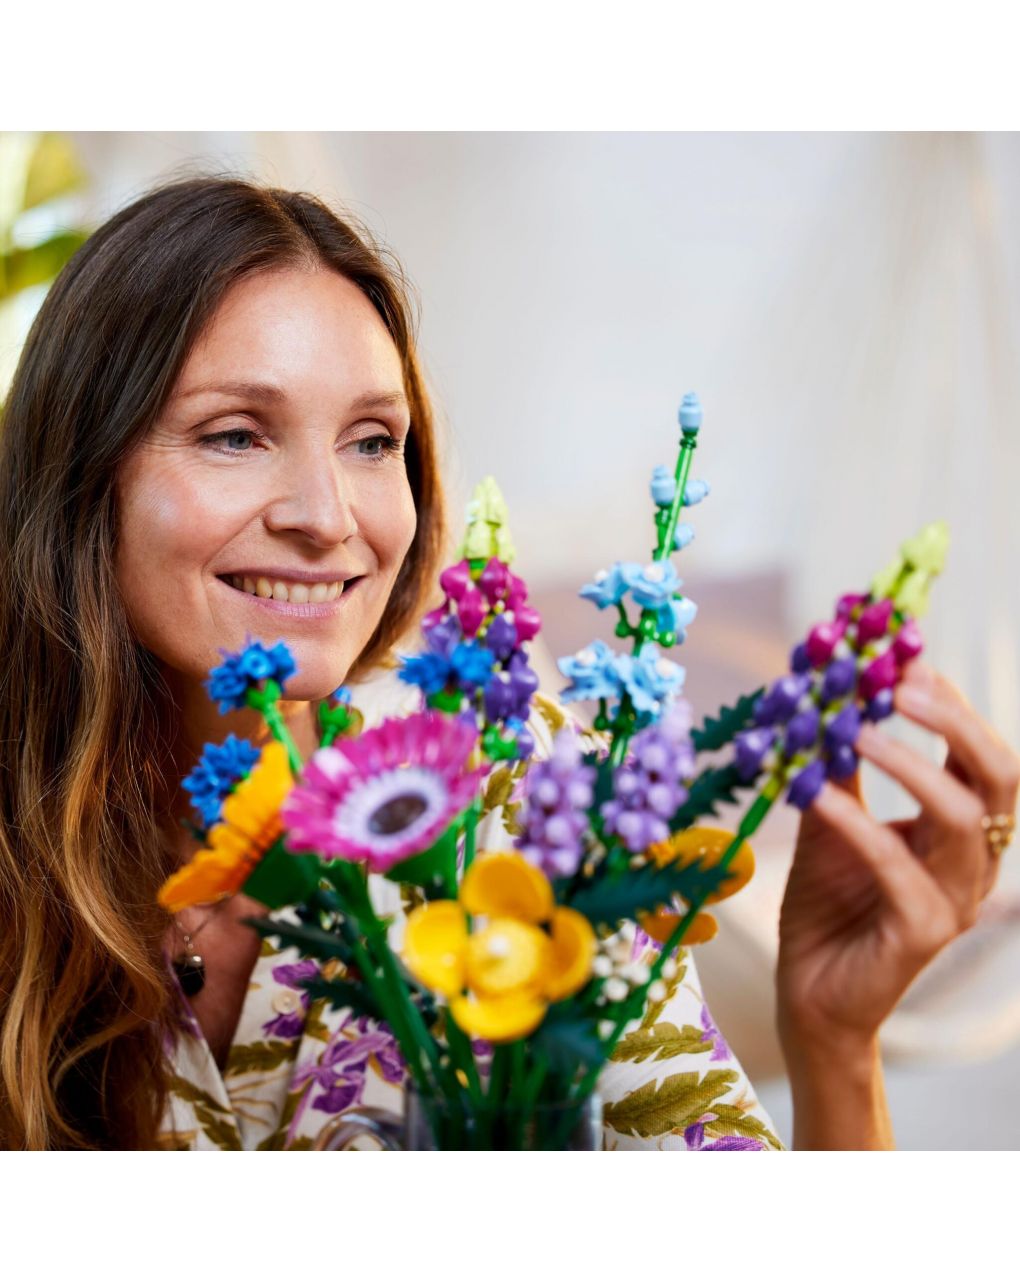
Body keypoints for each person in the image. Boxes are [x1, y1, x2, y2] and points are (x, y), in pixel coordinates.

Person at [0, 176, 1016, 1150]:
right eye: (234, 434)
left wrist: (836, 1040)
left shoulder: (519, 788)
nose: (327, 518)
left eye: (370, 441)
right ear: (82, 473)